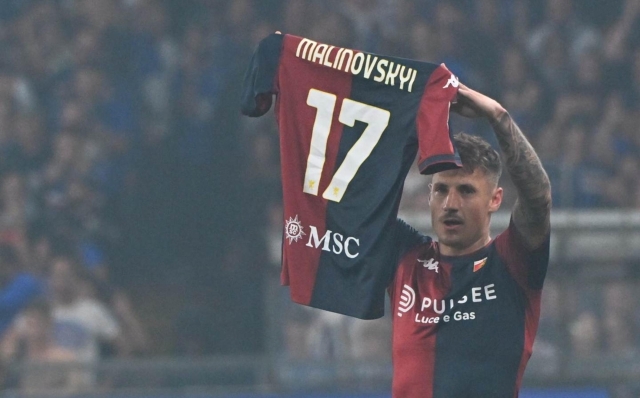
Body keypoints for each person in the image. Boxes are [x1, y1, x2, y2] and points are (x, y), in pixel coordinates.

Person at [388, 83, 552, 397]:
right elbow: (354, 191)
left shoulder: (512, 261)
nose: (450, 203)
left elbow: (538, 199)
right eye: (441, 190)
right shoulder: (405, 257)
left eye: (466, 190)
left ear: (495, 199)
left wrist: (498, 117)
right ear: (429, 196)